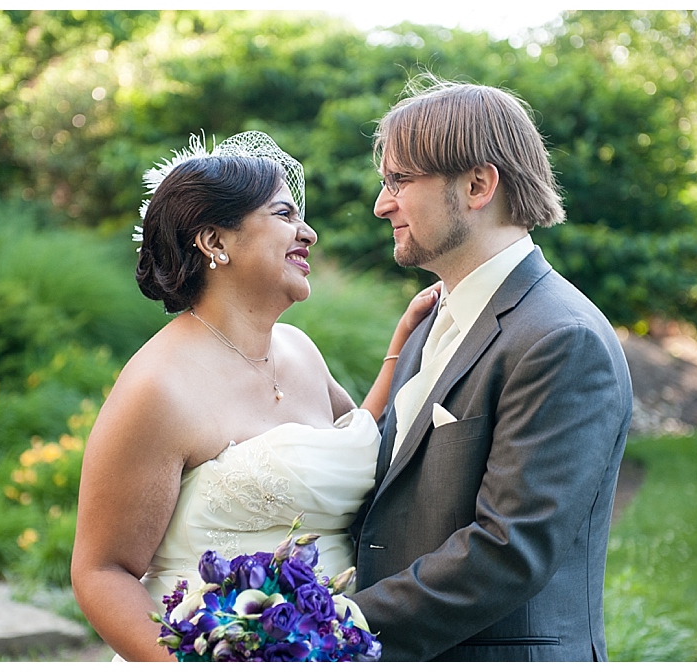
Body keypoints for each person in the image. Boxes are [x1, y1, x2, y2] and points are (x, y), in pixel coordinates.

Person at [70, 131, 438, 661]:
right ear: (215, 241)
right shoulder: (158, 388)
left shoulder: (300, 351)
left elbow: (358, 442)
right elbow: (101, 572)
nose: (307, 232)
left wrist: (401, 346)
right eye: (284, 214)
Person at [349, 75, 634, 662]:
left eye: (399, 180)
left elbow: (508, 550)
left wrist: (335, 623)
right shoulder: (431, 320)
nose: (382, 205)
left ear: (478, 184)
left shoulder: (561, 338)